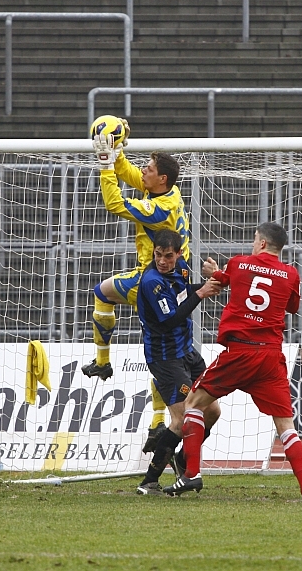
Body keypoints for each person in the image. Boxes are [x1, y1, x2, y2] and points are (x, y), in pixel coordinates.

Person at [164, 222, 302, 502]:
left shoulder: (239, 264)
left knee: (192, 404)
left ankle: (192, 474)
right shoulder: (290, 274)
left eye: (254, 240)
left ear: (261, 243)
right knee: (285, 424)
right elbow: (292, 307)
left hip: (239, 353)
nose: (252, 244)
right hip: (271, 358)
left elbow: (223, 278)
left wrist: (214, 272)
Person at [87, 122, 192, 451]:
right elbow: (129, 172)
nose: (142, 171)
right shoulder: (164, 190)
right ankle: (157, 424)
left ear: (161, 178)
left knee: (103, 293)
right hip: (175, 279)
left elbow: (115, 205)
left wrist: (105, 166)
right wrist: (116, 152)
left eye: (148, 168)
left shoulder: (159, 207)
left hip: (157, 279)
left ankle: (103, 362)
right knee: (161, 351)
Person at [133, 229, 223, 495]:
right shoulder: (151, 282)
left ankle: (183, 459)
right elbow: (170, 318)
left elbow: (184, 292)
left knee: (213, 411)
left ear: (179, 254)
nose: (162, 261)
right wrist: (202, 293)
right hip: (165, 358)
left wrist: (212, 281)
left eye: (168, 256)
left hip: (187, 352)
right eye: (158, 255)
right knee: (181, 417)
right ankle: (149, 480)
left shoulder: (180, 268)